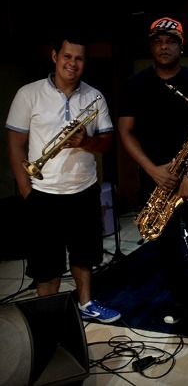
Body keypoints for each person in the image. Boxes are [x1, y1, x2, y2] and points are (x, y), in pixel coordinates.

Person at [5, 30, 121, 323]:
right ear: (55, 56)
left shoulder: (94, 96)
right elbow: (15, 144)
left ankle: (86, 303)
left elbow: (108, 142)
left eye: (79, 58)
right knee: (46, 264)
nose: (72, 63)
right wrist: (26, 190)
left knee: (85, 255)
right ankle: (50, 315)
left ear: (85, 62)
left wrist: (86, 142)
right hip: (43, 193)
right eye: (67, 56)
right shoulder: (29, 94)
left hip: (84, 189)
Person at [118, 16, 188, 325]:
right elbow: (125, 131)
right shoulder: (135, 85)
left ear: (181, 46)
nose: (164, 46)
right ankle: (181, 300)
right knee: (166, 247)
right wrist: (153, 171)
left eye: (171, 41)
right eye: (158, 41)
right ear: (151, 47)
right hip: (156, 178)